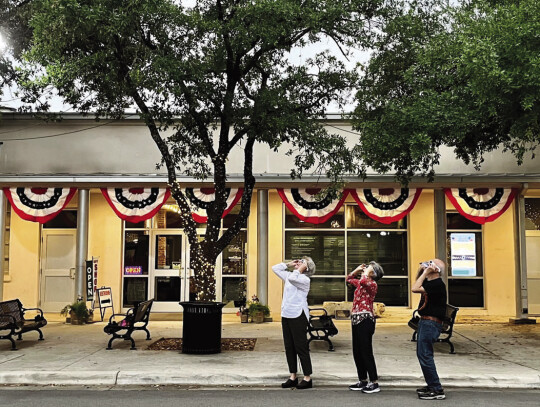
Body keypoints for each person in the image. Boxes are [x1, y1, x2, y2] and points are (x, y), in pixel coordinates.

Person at [272, 257, 316, 389]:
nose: (299, 263)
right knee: (289, 347)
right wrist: (289, 264)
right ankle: (293, 376)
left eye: (303, 262)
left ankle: (307, 378)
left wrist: (301, 268)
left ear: (307, 268)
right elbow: (275, 268)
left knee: (300, 346)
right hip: (286, 314)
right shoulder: (291, 275)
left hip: (298, 315)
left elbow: (293, 279)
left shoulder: (304, 279)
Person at [411, 259, 447, 400]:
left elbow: (414, 289)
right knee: (423, 355)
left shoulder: (437, 284)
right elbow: (416, 282)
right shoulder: (430, 283)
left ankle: (436, 389)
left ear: (436, 270)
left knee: (425, 355)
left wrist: (426, 271)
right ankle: (432, 384)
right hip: (426, 322)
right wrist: (423, 270)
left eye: (431, 263)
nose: (427, 263)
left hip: (430, 323)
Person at [346, 261, 384, 394]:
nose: (365, 269)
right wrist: (356, 270)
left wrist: (366, 274)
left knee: (366, 351)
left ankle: (374, 382)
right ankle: (362, 380)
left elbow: (363, 282)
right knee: (357, 351)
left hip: (365, 320)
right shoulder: (362, 282)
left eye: (369, 268)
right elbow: (349, 279)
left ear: (373, 273)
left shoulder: (372, 284)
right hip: (356, 319)